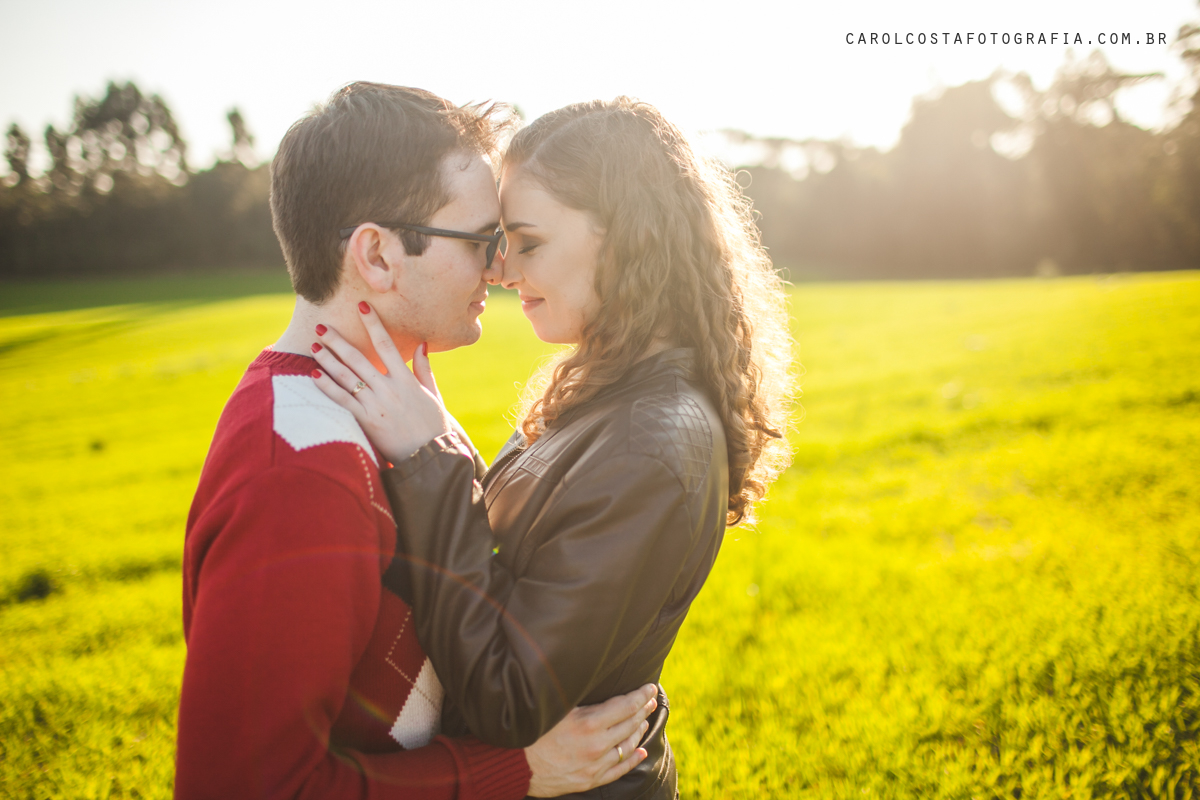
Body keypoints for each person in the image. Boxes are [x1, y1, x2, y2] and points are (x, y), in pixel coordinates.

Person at [176, 83, 660, 800]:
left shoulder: (389, 410)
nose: (499, 270)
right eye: (480, 242)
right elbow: (246, 787)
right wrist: (516, 771)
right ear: (376, 255)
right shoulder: (300, 472)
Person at [310, 97, 794, 799]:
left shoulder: (651, 447)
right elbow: (511, 558)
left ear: (628, 238)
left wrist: (431, 459)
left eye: (527, 243)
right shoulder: (603, 387)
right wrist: (433, 439)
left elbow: (510, 695)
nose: (502, 273)